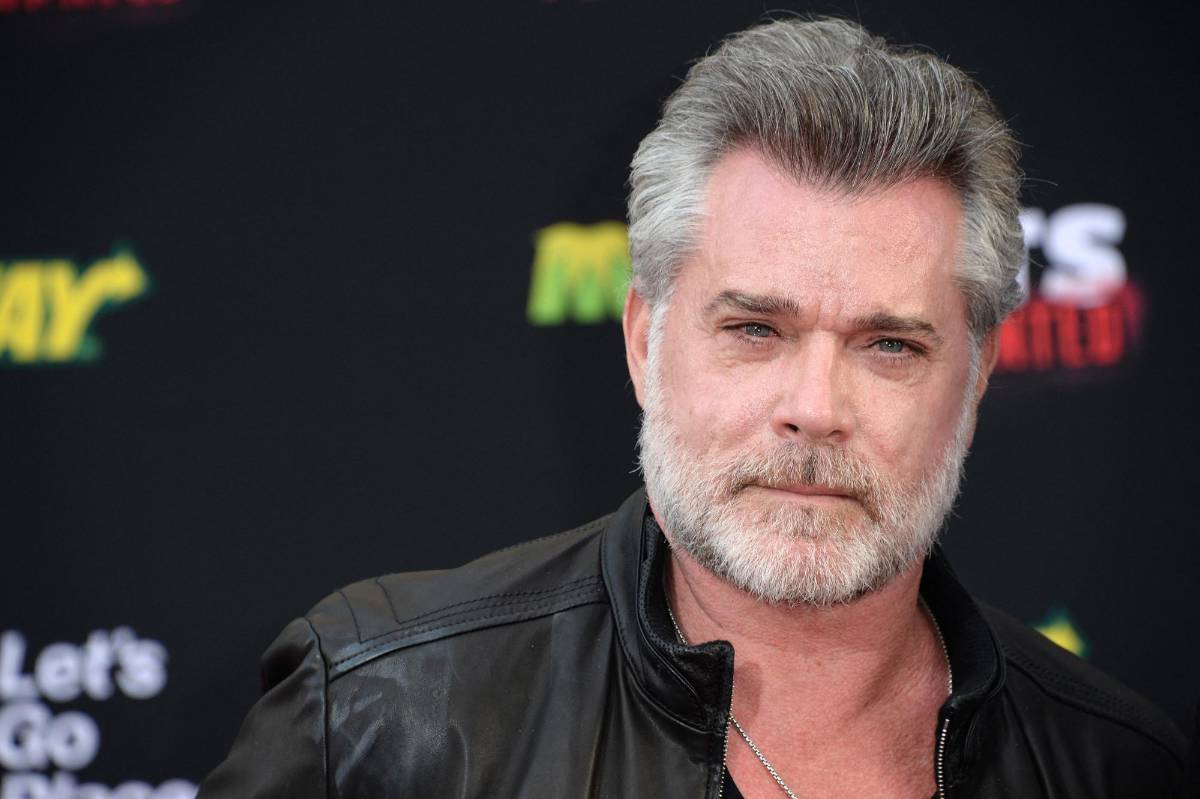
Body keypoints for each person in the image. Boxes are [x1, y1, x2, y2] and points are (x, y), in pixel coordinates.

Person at [198, 17, 1193, 798]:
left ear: (974, 379)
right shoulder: (376, 719)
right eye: (755, 328)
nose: (815, 408)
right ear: (644, 340)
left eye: (889, 345)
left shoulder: (1114, 765)